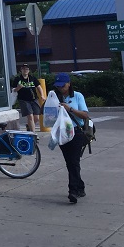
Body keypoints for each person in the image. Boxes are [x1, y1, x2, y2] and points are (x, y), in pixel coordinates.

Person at [53, 72, 89, 203]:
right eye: (58, 86)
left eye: (62, 86)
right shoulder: (56, 96)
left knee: (73, 161)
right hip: (62, 133)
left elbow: (85, 115)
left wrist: (70, 109)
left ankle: (73, 190)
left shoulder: (77, 96)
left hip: (76, 132)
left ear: (69, 84)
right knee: (70, 162)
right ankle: (80, 186)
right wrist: (48, 103)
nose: (60, 88)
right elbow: (45, 113)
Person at [13, 64, 44, 132]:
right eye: (24, 69)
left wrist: (42, 95)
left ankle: (29, 126)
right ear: (21, 70)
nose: (25, 70)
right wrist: (18, 87)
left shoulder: (32, 78)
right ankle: (33, 134)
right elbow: (13, 90)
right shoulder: (18, 79)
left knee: (36, 118)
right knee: (30, 116)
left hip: (34, 99)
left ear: (29, 70)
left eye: (27, 69)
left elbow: (39, 87)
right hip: (24, 100)